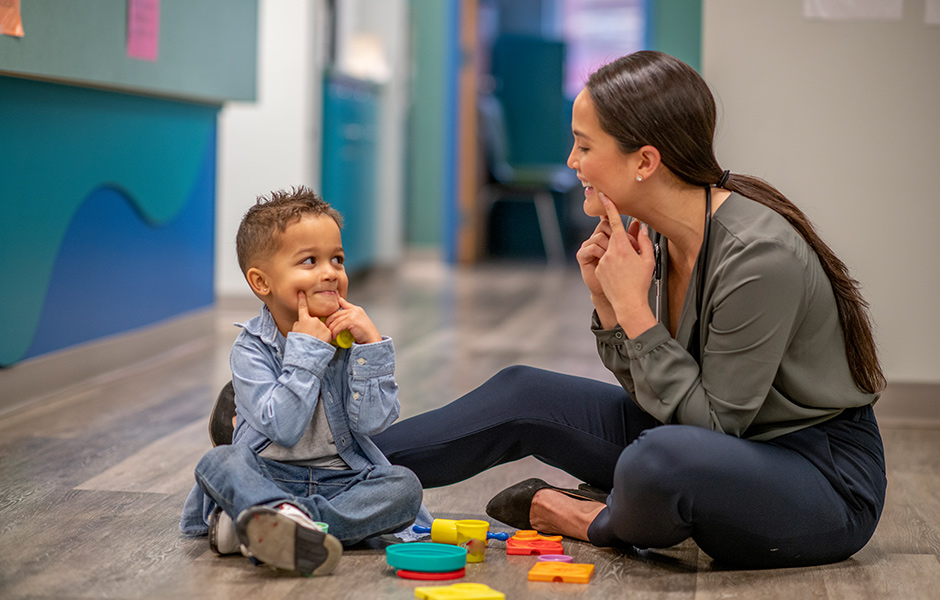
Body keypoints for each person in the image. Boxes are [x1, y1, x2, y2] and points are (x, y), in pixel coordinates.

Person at [373, 51, 887, 569]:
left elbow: (708, 431)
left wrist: (634, 313)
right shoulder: (660, 236)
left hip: (818, 478)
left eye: (583, 145)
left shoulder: (759, 256)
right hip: (711, 444)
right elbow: (659, 399)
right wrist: (611, 308)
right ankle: (334, 474)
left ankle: (592, 520)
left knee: (657, 461)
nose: (572, 162)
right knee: (522, 391)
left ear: (644, 161)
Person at [180, 187, 426, 576]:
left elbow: (373, 424)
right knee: (220, 461)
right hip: (267, 473)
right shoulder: (250, 349)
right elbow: (284, 427)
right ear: (262, 283)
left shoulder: (351, 342)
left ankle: (272, 525)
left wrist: (373, 348)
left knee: (403, 487)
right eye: (309, 261)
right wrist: (307, 351)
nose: (330, 272)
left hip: (341, 480)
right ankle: (282, 520)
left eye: (337, 259)